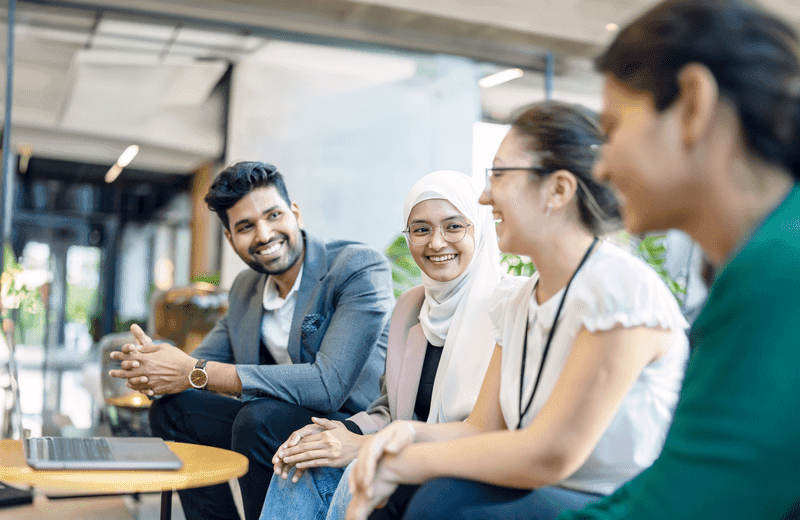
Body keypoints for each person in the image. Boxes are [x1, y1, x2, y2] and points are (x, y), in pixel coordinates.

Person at [345, 101, 691, 520]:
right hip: (543, 490)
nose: (485, 195)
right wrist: (405, 433)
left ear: (558, 190)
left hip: (624, 502)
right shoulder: (520, 301)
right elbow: (481, 428)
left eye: (500, 175)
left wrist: (407, 462)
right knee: (425, 496)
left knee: (442, 502)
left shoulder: (621, 292)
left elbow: (552, 455)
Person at [558, 1, 800, 518]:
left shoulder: (777, 269)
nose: (600, 166)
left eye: (611, 130)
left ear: (692, 104)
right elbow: (683, 475)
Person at [109, 161, 394, 520]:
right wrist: (154, 368)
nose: (263, 234)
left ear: (295, 213)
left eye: (273, 215)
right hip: (276, 423)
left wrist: (192, 371)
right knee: (175, 410)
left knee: (258, 420)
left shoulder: (355, 268)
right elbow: (196, 367)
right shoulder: (246, 289)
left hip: (348, 426)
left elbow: (328, 385)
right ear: (230, 238)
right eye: (245, 226)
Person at [259, 170, 503, 520]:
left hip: (464, 463)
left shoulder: (506, 307)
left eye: (453, 226)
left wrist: (364, 446)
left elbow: (490, 431)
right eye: (421, 230)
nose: (436, 243)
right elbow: (389, 410)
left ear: (479, 229)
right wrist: (341, 434)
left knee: (359, 477)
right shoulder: (410, 307)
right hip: (398, 449)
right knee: (305, 459)